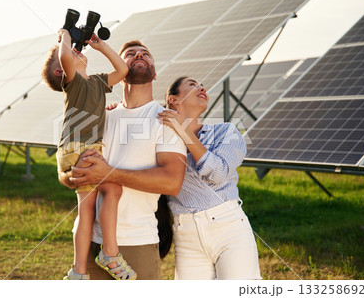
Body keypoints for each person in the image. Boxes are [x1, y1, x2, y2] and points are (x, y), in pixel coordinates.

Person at [58, 40, 187, 280]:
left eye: (145, 54)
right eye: (130, 54)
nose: (139, 55)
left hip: (136, 242)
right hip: (88, 243)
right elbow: (70, 168)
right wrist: (68, 175)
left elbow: (172, 183)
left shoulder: (166, 121)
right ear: (121, 69)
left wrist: (108, 174)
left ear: (155, 73)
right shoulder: (100, 116)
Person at [41, 29, 136, 280]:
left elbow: (123, 71)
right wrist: (64, 38)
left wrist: (100, 46)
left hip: (85, 149)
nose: (75, 52)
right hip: (79, 149)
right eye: (69, 54)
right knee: (111, 191)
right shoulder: (73, 84)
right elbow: (64, 57)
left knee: (89, 209)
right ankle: (109, 255)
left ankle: (79, 272)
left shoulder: (96, 83)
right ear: (61, 71)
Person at [157, 76, 261, 280]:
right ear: (174, 99)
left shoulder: (226, 132)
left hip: (229, 228)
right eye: (192, 84)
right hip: (185, 235)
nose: (201, 86)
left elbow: (219, 173)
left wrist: (183, 130)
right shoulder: (160, 139)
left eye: (202, 85)